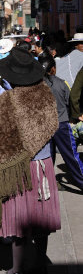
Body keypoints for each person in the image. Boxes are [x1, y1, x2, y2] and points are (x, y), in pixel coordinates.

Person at [0, 48, 60, 274]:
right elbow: (53, 124)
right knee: (40, 220)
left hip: (18, 169)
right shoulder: (45, 94)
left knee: (19, 218)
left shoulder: (9, 100)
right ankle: (40, 265)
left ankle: (17, 268)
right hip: (43, 166)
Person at [38, 54, 83, 190]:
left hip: (44, 126)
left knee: (47, 157)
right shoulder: (61, 83)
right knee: (71, 156)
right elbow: (69, 101)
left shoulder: (36, 86)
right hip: (61, 124)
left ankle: (47, 184)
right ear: (53, 69)